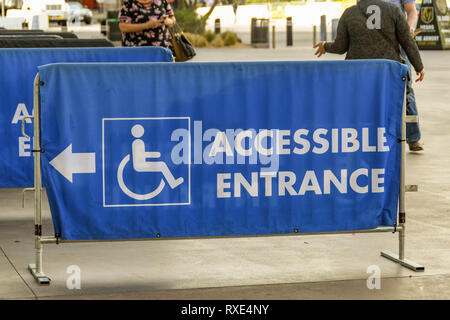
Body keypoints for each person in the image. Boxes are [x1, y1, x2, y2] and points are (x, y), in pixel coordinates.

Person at [314, 0, 425, 149]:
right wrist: (419, 66)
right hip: (388, 72)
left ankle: (362, 142)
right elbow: (407, 41)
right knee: (401, 99)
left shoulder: (350, 13)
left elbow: (340, 47)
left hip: (358, 74)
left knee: (362, 107)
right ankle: (405, 139)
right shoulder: (393, 10)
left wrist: (325, 46)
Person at [382, 0, 423, 151]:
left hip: (399, 41)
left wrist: (409, 27)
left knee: (405, 87)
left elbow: (411, 11)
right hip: (375, 42)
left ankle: (413, 137)